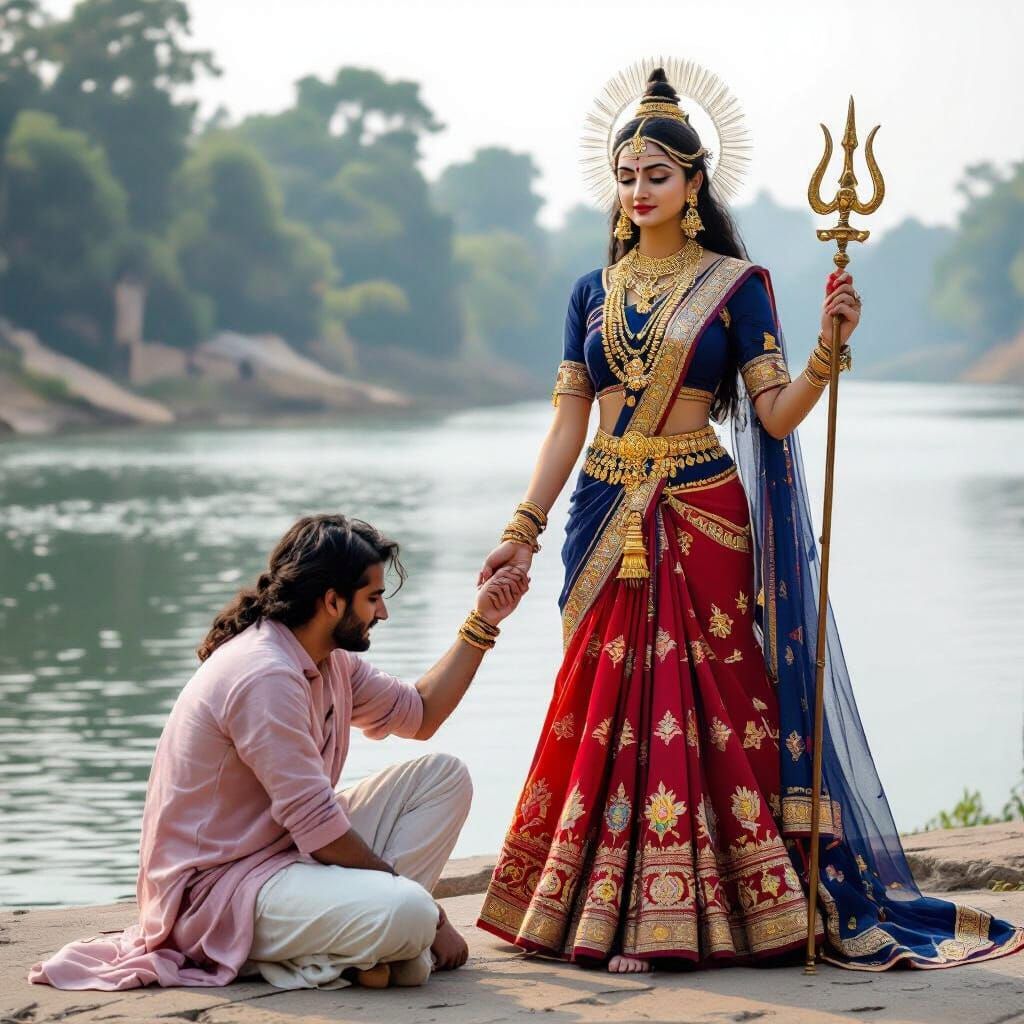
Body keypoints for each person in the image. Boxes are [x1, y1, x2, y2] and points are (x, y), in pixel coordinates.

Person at [476, 62, 1024, 974]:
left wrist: (826, 352)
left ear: (694, 185)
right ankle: (599, 907)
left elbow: (772, 416)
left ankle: (731, 907)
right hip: (606, 507)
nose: (638, 191)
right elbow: (569, 420)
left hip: (700, 512)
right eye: (626, 176)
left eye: (657, 174)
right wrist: (522, 527)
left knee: (710, 701)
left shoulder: (740, 286)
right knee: (602, 697)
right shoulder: (591, 292)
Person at [30, 513, 529, 991]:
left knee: (442, 777)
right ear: (332, 602)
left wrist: (483, 619)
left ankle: (371, 949)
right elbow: (319, 827)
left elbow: (420, 714)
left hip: (287, 860)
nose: (383, 612)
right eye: (373, 598)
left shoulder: (327, 660)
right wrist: (435, 914)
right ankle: (376, 943)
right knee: (413, 912)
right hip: (219, 898)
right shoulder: (265, 675)